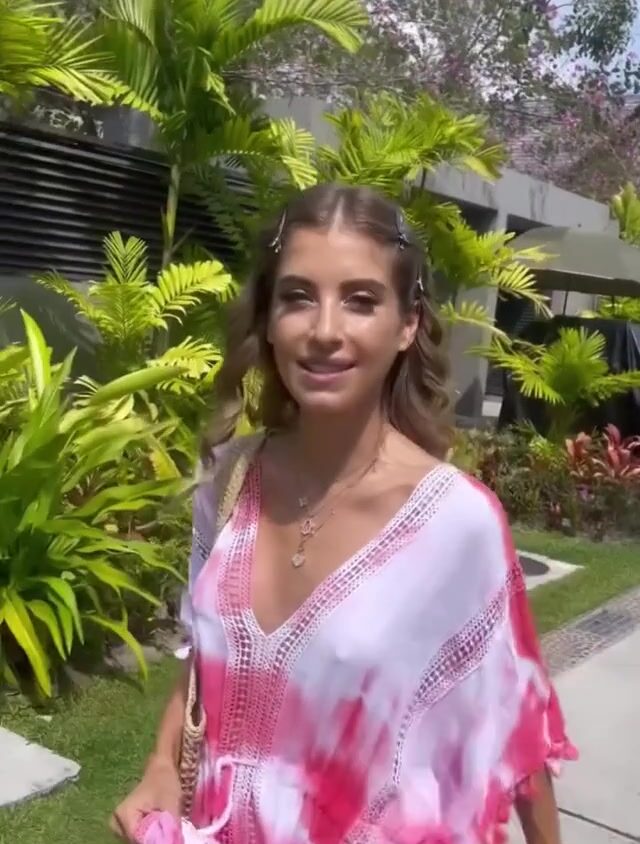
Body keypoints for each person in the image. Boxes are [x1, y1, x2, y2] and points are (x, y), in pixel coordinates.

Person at [112, 184, 576, 844]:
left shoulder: (456, 524)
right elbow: (200, 658)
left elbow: (516, 730)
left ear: (407, 324)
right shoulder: (230, 479)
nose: (325, 331)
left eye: (361, 300)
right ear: (268, 318)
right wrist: (161, 766)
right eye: (298, 296)